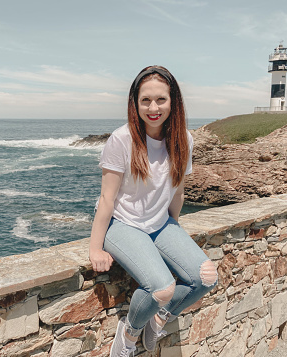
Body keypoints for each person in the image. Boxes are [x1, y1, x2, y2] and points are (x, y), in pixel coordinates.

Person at [89, 65, 218, 356]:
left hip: (159, 224)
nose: (153, 107)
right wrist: (95, 249)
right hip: (122, 224)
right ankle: (130, 330)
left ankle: (160, 318)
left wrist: (174, 231)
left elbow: (177, 190)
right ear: (135, 103)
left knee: (206, 277)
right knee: (161, 288)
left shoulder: (184, 139)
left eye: (161, 99)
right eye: (145, 100)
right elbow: (107, 199)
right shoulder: (121, 140)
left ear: (174, 102)